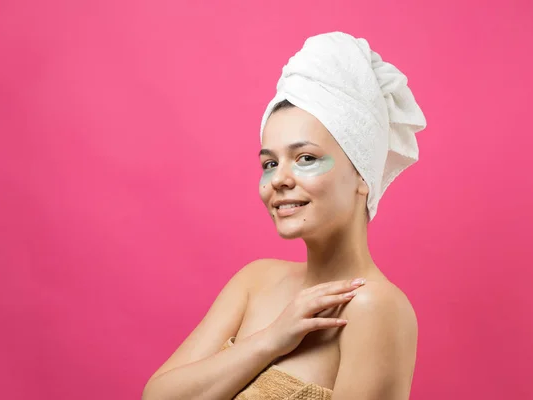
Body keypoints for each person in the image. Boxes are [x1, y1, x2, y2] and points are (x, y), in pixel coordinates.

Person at [142, 31, 427, 400]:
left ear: (361, 174)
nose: (278, 179)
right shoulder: (255, 281)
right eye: (270, 163)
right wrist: (272, 340)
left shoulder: (374, 308)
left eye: (305, 158)